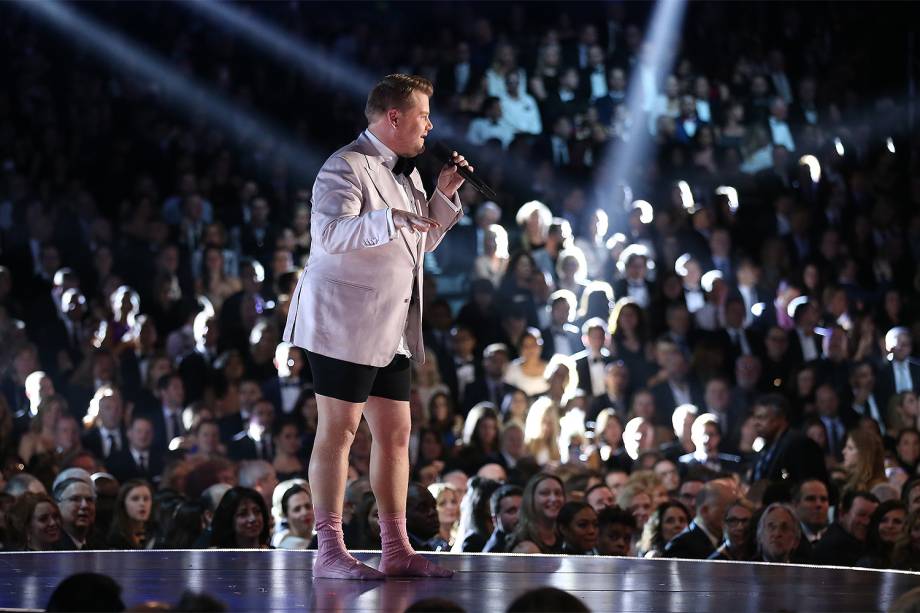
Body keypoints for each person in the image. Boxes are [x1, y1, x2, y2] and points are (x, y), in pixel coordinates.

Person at [281, 74, 466, 580]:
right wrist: (390, 219)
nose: (430, 125)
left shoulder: (406, 174)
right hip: (343, 322)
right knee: (339, 431)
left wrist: (442, 199)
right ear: (394, 117)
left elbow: (418, 242)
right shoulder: (343, 166)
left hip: (391, 324)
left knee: (397, 432)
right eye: (423, 115)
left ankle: (395, 546)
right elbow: (329, 234)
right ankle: (330, 549)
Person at [664, 479, 734, 559]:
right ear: (705, 511)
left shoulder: (724, 541)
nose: (731, 517)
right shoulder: (682, 546)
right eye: (726, 511)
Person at [811, 490, 879, 566]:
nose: (867, 522)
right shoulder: (833, 550)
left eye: (872, 517)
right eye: (861, 514)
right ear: (842, 514)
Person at [508, 473, 565, 554]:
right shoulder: (526, 548)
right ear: (531, 498)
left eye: (558, 493)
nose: (554, 499)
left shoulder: (563, 536)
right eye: (545, 493)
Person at [107, 479, 156, 549]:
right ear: (123, 503)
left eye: (146, 499)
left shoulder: (159, 534)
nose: (142, 503)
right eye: (135, 499)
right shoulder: (114, 538)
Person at [272, 483, 316, 550]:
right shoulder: (284, 548)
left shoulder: (319, 540)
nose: (305, 512)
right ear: (286, 515)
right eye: (297, 509)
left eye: (308, 506)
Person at [483, 484, 523, 553]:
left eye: (523, 509)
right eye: (512, 511)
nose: (520, 516)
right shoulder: (493, 552)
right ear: (495, 520)